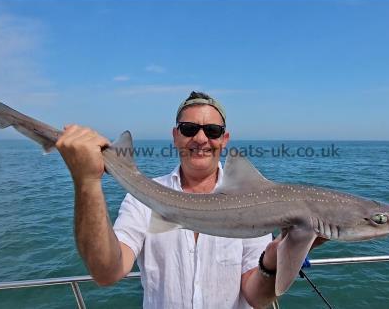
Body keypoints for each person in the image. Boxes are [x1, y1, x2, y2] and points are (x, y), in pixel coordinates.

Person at [56, 91, 316, 308]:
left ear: (224, 140)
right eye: (189, 129)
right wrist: (87, 182)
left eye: (213, 131)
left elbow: (256, 296)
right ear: (175, 136)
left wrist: (270, 263)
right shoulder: (141, 199)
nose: (201, 139)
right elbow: (106, 272)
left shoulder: (254, 202)